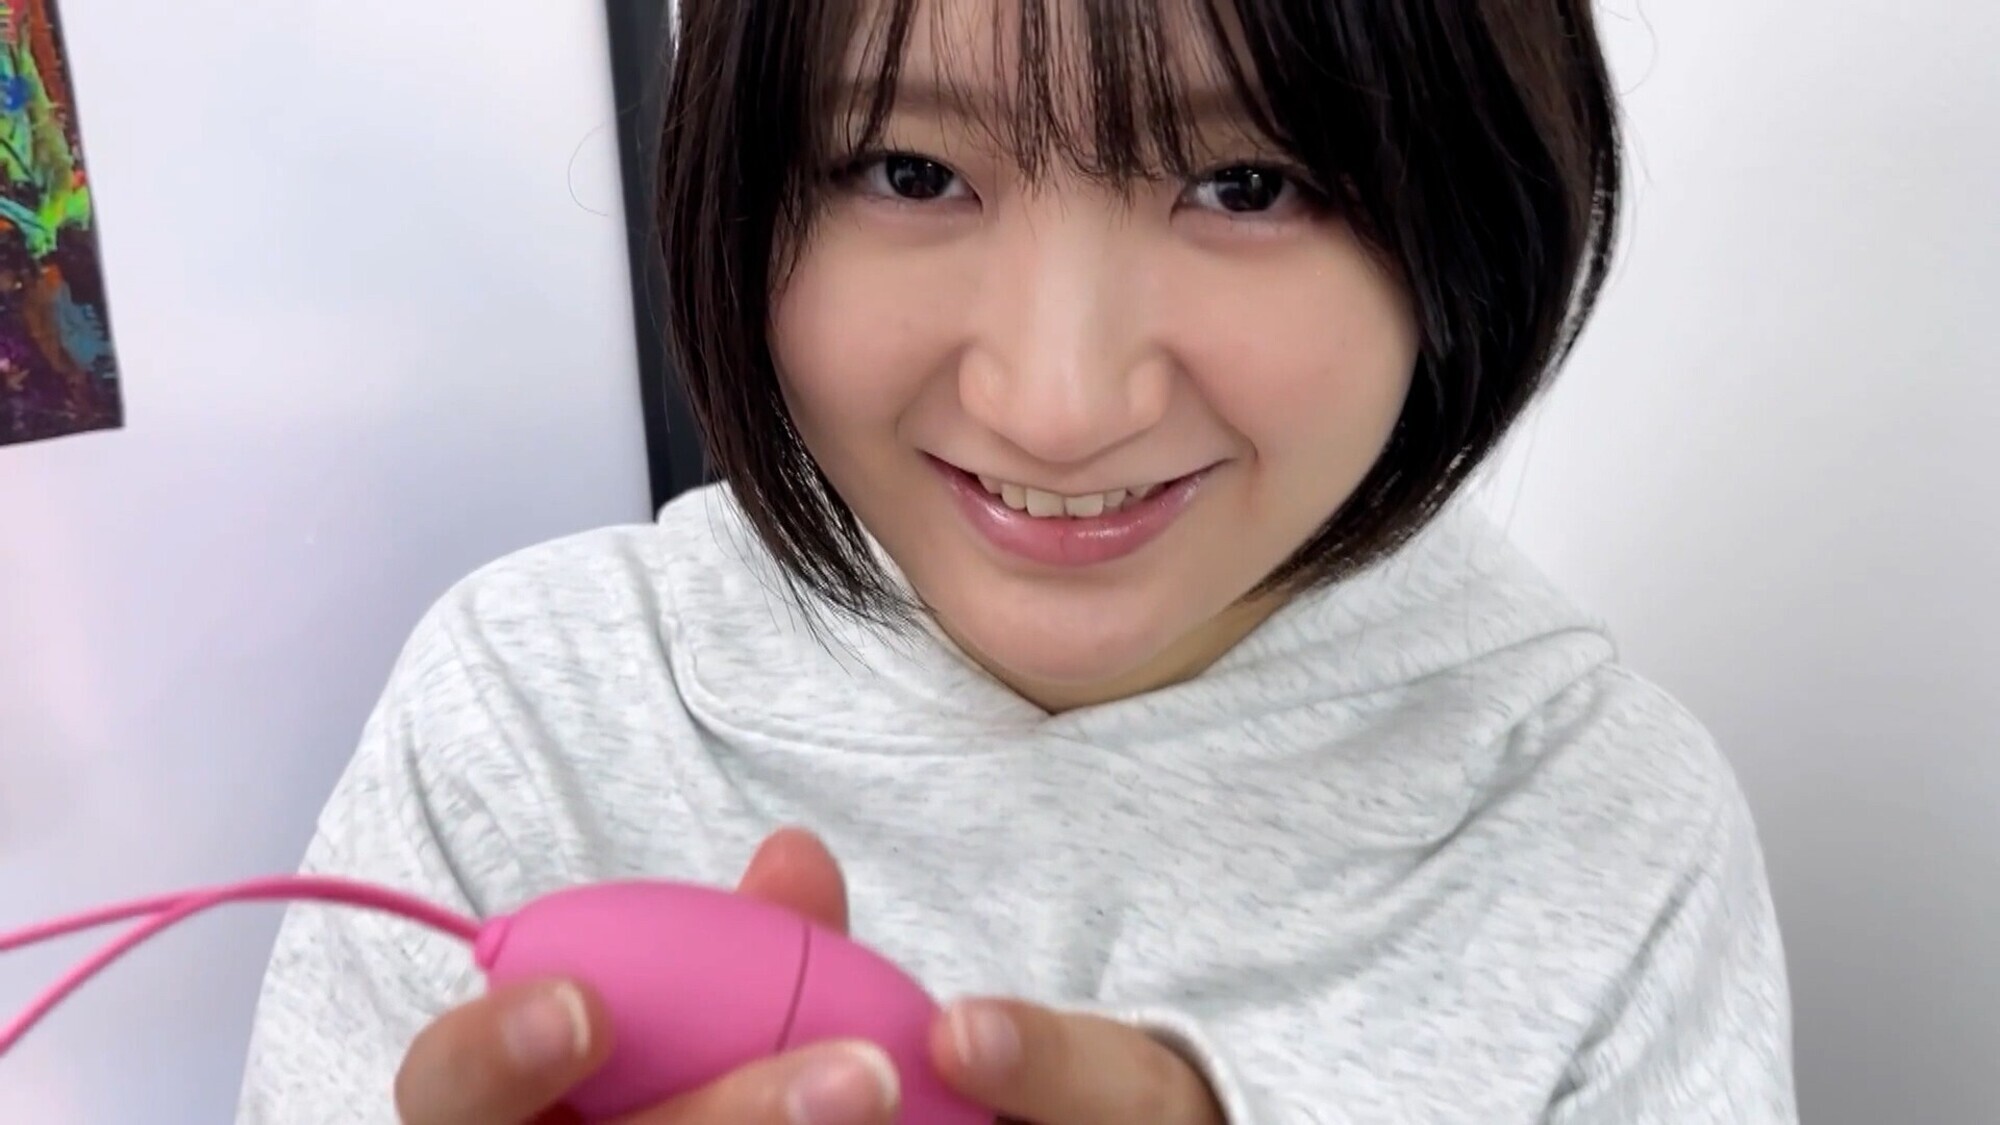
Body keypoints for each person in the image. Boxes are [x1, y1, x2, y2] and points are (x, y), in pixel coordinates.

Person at [235, 0, 1798, 1121]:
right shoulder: (530, 713)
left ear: (1473, 204)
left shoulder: (1597, 818)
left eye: (1246, 183)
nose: (1057, 405)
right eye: (911, 171)